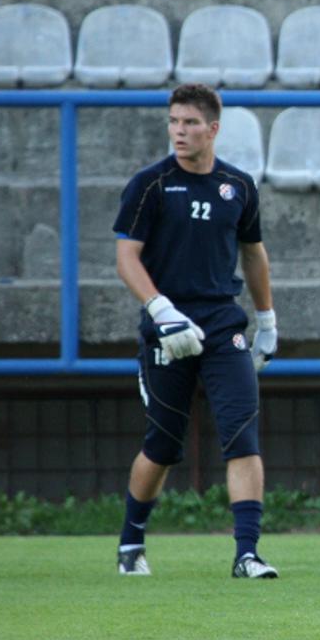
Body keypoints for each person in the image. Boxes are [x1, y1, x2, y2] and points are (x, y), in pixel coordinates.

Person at [112, 83, 280, 579]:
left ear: (213, 129)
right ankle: (130, 542)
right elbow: (126, 257)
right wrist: (159, 308)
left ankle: (246, 554)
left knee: (242, 435)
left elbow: (253, 252)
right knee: (163, 444)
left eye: (189, 123)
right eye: (173, 122)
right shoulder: (150, 184)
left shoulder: (239, 186)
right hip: (167, 328)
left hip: (222, 325)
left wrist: (266, 318)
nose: (179, 132)